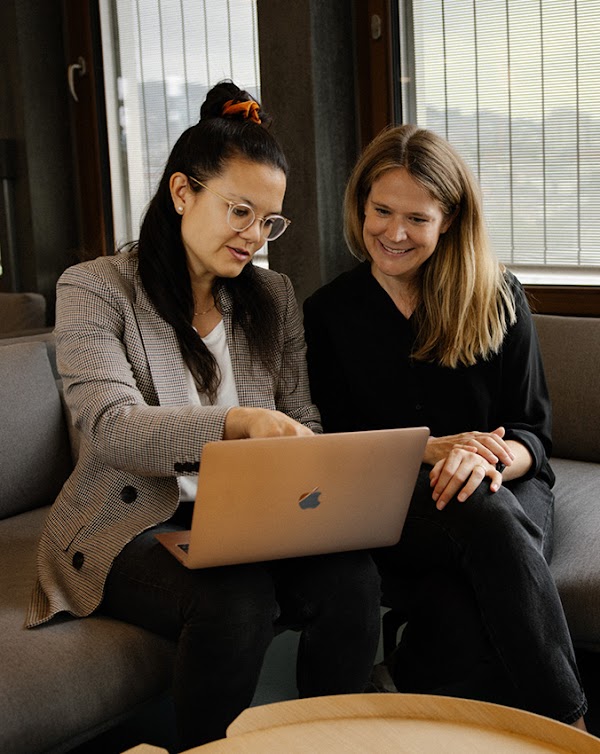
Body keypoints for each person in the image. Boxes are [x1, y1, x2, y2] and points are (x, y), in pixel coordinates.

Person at [25, 81, 381, 750]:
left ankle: (329, 740)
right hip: (131, 521)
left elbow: (303, 416)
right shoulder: (96, 288)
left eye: (269, 221)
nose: (255, 237)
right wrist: (235, 423)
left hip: (251, 516)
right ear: (183, 192)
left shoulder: (272, 296)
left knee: (352, 580)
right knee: (235, 598)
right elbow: (112, 424)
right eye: (240, 211)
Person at [303, 124, 588, 728]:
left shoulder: (498, 294)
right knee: (475, 532)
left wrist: (485, 460)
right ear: (361, 205)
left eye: (418, 219)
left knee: (476, 530)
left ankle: (409, 681)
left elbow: (534, 433)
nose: (394, 233)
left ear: (450, 220)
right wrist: (431, 452)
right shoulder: (328, 313)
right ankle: (570, 723)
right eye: (382, 211)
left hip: (506, 487)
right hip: (395, 503)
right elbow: (334, 444)